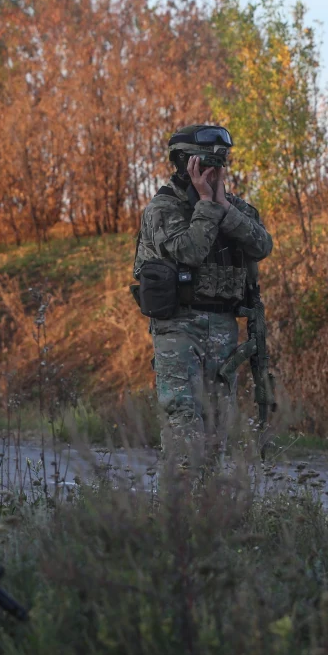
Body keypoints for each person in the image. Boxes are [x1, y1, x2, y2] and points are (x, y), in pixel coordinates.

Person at [132, 125, 274, 459]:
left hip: (223, 327)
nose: (216, 168)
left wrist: (223, 206)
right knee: (183, 423)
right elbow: (190, 251)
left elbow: (262, 245)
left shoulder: (231, 207)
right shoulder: (162, 209)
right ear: (185, 162)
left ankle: (208, 509)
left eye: (221, 161)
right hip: (177, 328)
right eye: (208, 161)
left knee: (216, 428)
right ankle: (178, 506)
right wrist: (208, 205)